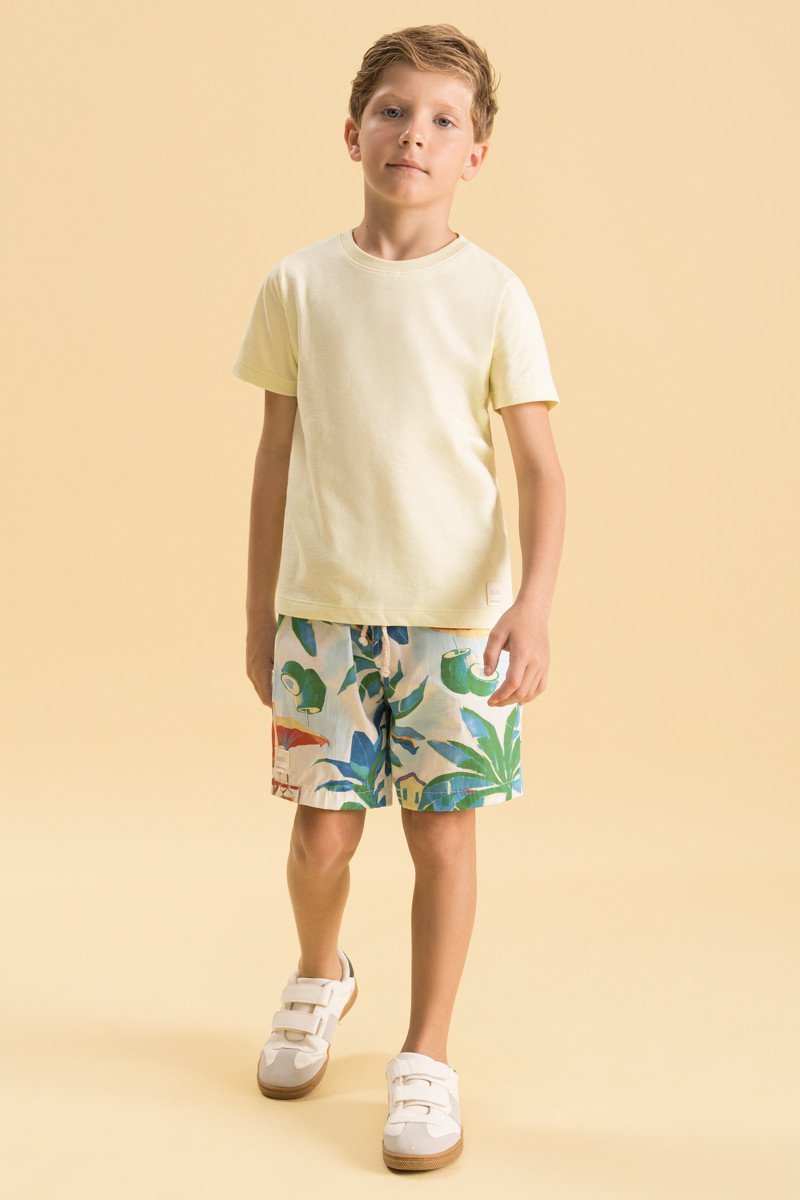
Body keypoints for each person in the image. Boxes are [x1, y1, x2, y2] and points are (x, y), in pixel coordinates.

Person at [231, 23, 566, 1172]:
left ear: (474, 153)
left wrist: (532, 603)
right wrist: (258, 614)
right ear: (351, 132)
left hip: (455, 624)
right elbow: (273, 457)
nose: (412, 135)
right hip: (323, 618)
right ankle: (319, 973)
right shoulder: (297, 286)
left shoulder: (494, 295)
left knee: (441, 835)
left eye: (440, 120)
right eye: (391, 111)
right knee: (320, 837)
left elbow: (539, 468)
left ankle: (425, 1051)